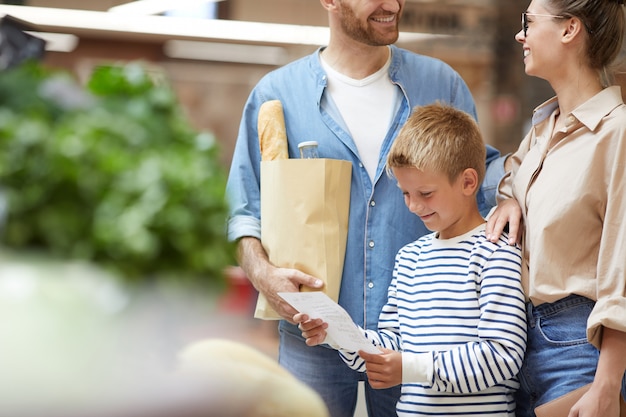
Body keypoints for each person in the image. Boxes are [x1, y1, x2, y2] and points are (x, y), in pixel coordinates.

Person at [225, 1, 508, 415]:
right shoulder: (276, 95)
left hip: (418, 338)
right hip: (313, 330)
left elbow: (479, 178)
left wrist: (512, 195)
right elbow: (245, 211)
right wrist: (263, 274)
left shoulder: (440, 83)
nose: (392, 5)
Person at [294, 103, 527, 417]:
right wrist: (339, 335)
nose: (414, 206)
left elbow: (503, 356)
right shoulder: (409, 258)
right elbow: (394, 343)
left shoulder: (494, 251)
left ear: (468, 182)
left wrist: (412, 368)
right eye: (405, 193)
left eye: (426, 193)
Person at [485, 1, 626, 416]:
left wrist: (607, 382)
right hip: (517, 341)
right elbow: (512, 176)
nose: (519, 34)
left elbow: (623, 265)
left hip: (580, 346)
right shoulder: (543, 129)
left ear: (570, 30)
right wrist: (511, 197)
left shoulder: (616, 132)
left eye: (528, 22)